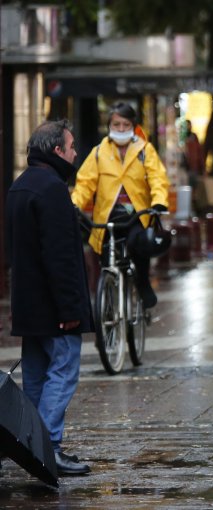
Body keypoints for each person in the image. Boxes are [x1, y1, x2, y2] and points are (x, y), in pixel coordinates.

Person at [6, 120, 94, 475]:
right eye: (72, 147)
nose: (75, 153)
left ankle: (30, 448)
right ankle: (48, 448)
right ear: (57, 150)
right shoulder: (53, 189)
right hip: (56, 310)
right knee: (62, 373)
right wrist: (70, 308)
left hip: (29, 308)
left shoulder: (20, 186)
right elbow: (60, 257)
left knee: (37, 380)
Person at [72, 102, 170, 308]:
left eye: (126, 124)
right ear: (109, 125)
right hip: (107, 217)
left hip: (137, 215)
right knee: (103, 253)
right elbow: (84, 183)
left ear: (133, 126)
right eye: (116, 124)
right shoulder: (98, 152)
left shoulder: (145, 150)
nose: (121, 129)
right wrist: (74, 204)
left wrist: (159, 201)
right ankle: (106, 299)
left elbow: (157, 179)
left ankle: (143, 283)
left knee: (138, 245)